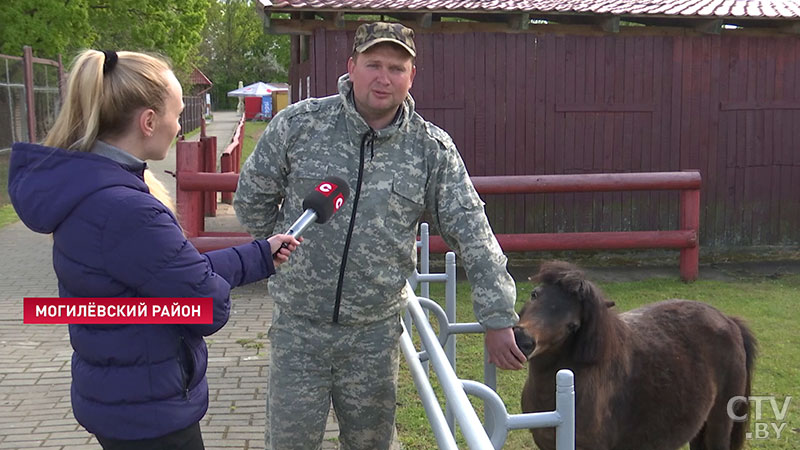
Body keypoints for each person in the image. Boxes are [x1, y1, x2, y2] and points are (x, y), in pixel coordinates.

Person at [235, 22, 526, 450]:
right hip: (300, 329)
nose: (383, 77)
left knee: (372, 444)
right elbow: (251, 200)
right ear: (351, 67)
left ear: (412, 76)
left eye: (396, 67)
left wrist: (497, 316)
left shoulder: (430, 150)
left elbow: (473, 232)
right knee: (289, 442)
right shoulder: (299, 125)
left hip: (373, 335)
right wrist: (275, 252)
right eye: (373, 64)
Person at [8, 49, 301, 449]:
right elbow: (204, 306)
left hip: (121, 395)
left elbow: (167, 272)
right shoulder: (127, 210)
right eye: (177, 115)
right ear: (148, 121)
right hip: (149, 411)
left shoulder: (91, 188)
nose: (180, 127)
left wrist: (260, 255)